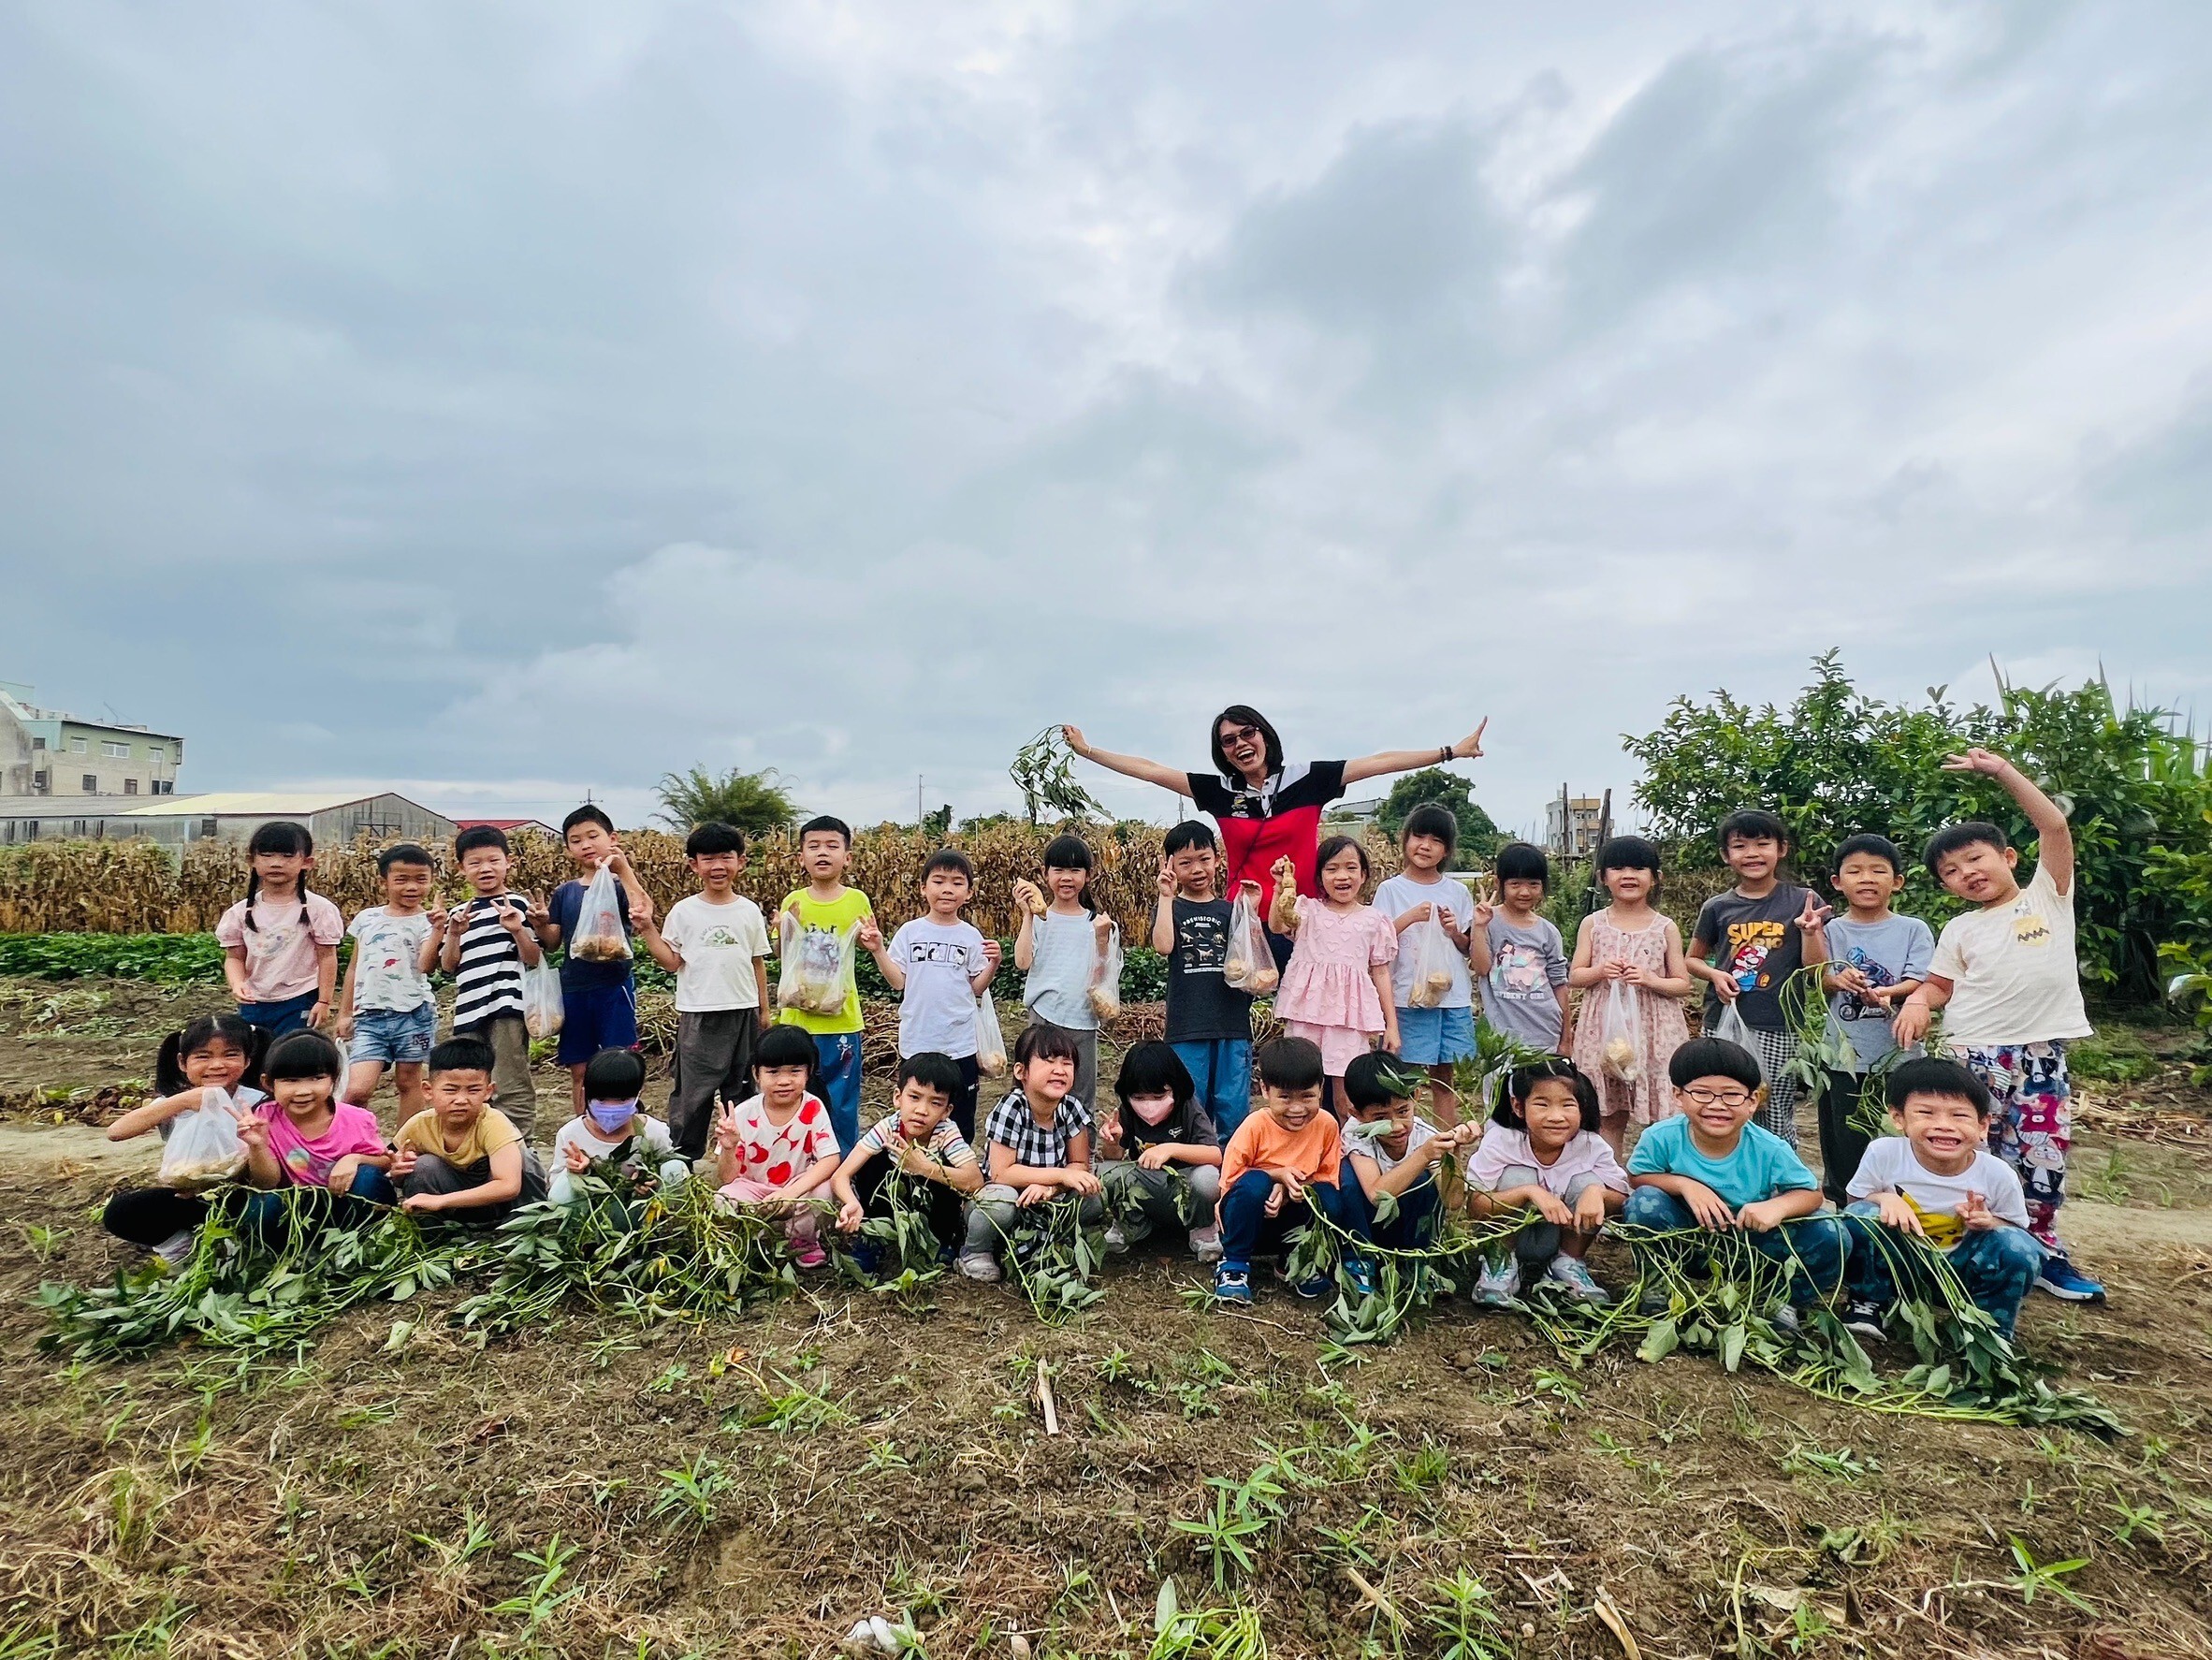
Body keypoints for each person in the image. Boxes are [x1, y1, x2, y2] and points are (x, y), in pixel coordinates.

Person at [1891, 748, 2104, 1303]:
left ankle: (2042, 1253)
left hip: (2038, 1054)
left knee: (2041, 1153)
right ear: (1946, 887)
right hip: (1971, 1054)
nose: (1967, 874)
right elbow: (1940, 986)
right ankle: (1963, 1252)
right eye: (1952, 872)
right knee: (1963, 1151)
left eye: (1975, 860)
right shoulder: (1960, 928)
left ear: (2009, 857)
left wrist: (2002, 772)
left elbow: (2053, 824)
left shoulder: (2047, 898)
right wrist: (1918, 1001)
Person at [1062, 709, 1490, 966]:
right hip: (1240, 922)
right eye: (1228, 741)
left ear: (1264, 734)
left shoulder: (1308, 780)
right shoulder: (1220, 791)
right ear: (1222, 752)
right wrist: (1089, 751)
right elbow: (1151, 769)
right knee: (1233, 1021)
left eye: (1248, 733)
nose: (1240, 744)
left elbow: (1378, 762)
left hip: (1303, 922)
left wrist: (1449, 751)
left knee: (1311, 1019)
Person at [1623, 1037, 1848, 1324]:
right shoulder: (1662, 1137)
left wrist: (1776, 1208)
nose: (1717, 1105)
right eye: (1702, 1093)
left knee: (1832, 1233)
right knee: (1644, 1204)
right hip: (1687, 1240)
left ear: (1753, 1101)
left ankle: (1779, 1298)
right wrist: (1685, 1185)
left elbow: (1811, 1195)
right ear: (1678, 1094)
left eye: (1731, 1095)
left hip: (1754, 1249)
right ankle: (1661, 1283)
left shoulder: (1769, 1148)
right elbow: (1638, 1176)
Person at [1841, 1056, 2044, 1339]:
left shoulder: (1997, 1174)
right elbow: (1854, 1203)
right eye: (1926, 1113)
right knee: (1860, 1217)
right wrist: (1885, 1200)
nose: (1944, 1125)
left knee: (2019, 1248)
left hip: (1960, 1271)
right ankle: (1869, 1300)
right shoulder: (1883, 1153)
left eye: (1959, 1116)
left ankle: (1989, 1327)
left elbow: (2017, 1230)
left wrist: (1987, 1221)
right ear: (1898, 1118)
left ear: (1983, 1125)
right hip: (1901, 1263)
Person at [1686, 810, 1832, 1148]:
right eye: (1740, 846)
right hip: (1724, 1022)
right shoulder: (1718, 907)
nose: (1752, 853)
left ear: (1781, 849)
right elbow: (1692, 959)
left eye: (1762, 844)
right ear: (1726, 855)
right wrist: (1715, 974)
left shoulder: (1802, 901)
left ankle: (1781, 1186)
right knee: (1721, 1105)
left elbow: (1815, 971)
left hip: (1779, 1024)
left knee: (1773, 1108)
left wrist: (1811, 932)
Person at [1813, 834, 1935, 1204]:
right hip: (1841, 1058)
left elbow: (1922, 979)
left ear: (1896, 881)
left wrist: (1889, 993)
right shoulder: (1831, 930)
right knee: (1843, 1139)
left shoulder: (1913, 928)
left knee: (1898, 1137)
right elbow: (1820, 977)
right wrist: (1838, 979)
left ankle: (1902, 1208)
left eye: (1879, 871)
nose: (1867, 878)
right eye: (1855, 871)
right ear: (1838, 882)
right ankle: (1847, 1208)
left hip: (1898, 1057)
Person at [645, 822, 773, 1159]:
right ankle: (682, 1160)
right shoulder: (684, 911)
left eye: (726, 857)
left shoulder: (748, 911)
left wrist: (764, 1009)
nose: (718, 866)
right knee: (693, 1093)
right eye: (708, 859)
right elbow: (671, 962)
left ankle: (742, 1158)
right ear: (694, 865)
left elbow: (756, 962)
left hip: (743, 1010)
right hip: (699, 1012)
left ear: (740, 862)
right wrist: (646, 930)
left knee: (742, 1088)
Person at [101, 1012, 270, 1261]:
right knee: (121, 1212)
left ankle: (242, 1248)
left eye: (230, 1054)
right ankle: (184, 1252)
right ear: (182, 1062)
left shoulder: (258, 1102)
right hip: (189, 1196)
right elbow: (115, 1132)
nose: (217, 1065)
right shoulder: (174, 1104)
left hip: (244, 1196)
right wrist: (181, 1101)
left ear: (247, 1061)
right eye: (203, 1056)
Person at [862, 849, 1003, 1142]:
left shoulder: (970, 936)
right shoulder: (910, 932)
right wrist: (878, 950)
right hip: (918, 1040)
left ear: (970, 892)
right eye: (939, 881)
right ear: (923, 888)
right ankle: (913, 1168)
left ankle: (956, 1173)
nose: (947, 889)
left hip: (960, 1043)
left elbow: (977, 988)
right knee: (916, 1114)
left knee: (960, 1117)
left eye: (957, 882)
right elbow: (898, 981)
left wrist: (994, 963)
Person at [1565, 836, 1694, 1154]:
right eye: (1618, 868)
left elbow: (1682, 983)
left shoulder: (1665, 927)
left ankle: (1659, 1176)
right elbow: (1575, 976)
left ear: (1655, 878)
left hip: (1655, 1029)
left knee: (1662, 1112)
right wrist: (1600, 971)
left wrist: (1650, 979)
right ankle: (1610, 1179)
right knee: (1608, 1110)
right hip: (1604, 1029)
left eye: (1639, 868)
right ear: (1603, 878)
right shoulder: (1593, 924)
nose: (1628, 875)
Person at [1466, 1059, 1628, 1305]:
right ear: (1518, 1107)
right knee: (1517, 1176)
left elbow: (1623, 1198)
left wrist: (1597, 1193)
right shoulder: (1501, 1141)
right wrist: (1528, 1192)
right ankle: (1500, 1266)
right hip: (1508, 1236)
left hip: (1558, 1237)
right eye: (1542, 1104)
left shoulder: (1589, 1145)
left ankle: (1567, 1264)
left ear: (1582, 1108)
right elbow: (1475, 1206)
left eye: (1568, 1105)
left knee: (1589, 1182)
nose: (1556, 1117)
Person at [1319, 1051, 1478, 1297]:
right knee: (1346, 1178)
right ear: (1356, 1114)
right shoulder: (1356, 1133)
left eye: (1403, 1111)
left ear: (1415, 1096)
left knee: (1424, 1181)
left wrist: (1453, 1153)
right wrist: (1422, 1156)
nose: (1396, 1126)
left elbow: (1453, 1201)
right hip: (1366, 1225)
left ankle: (1417, 1261)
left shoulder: (1424, 1135)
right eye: (1380, 1118)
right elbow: (1375, 1194)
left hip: (1406, 1225)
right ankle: (1359, 1258)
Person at [958, 1025, 1102, 1283]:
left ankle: (1042, 1241)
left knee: (1092, 1197)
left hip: (1045, 1200)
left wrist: (1051, 1189)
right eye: (1048, 1061)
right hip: (1006, 1193)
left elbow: (1079, 1163)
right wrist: (1057, 1176)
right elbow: (1001, 1173)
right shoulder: (1012, 1107)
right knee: (999, 1203)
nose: (1059, 1070)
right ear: (1021, 1071)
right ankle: (975, 1251)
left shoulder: (1071, 1108)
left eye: (1067, 1063)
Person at [537, 805, 656, 1117]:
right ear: (567, 848)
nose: (585, 845)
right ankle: (583, 1128)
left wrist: (624, 870)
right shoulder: (565, 892)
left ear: (612, 838)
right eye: (576, 840)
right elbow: (552, 942)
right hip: (574, 989)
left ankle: (627, 1127)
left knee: (622, 1063)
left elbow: (643, 911)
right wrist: (538, 924)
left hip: (614, 987)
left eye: (593, 836)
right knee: (580, 1069)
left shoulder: (619, 886)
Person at [1268, 837, 1399, 1107]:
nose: (1342, 876)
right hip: (1307, 1013)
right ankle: (1304, 1146)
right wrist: (1280, 887)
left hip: (1349, 1018)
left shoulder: (1375, 920)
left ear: (1364, 875)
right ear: (1319, 876)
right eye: (1332, 868)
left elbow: (1381, 973)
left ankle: (1346, 1148)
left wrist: (1392, 1027)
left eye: (1351, 868)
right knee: (1300, 1087)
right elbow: (1277, 926)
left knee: (1346, 1097)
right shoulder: (1307, 910)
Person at [1212, 1036, 1341, 1305]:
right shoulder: (1254, 1126)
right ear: (1265, 1090)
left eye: (1307, 1096)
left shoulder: (1327, 1124)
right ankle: (1234, 1263)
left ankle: (1294, 1260)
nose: (1297, 1109)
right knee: (1255, 1181)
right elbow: (1230, 1182)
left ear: (1321, 1089)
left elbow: (1329, 1175)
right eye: (1285, 1097)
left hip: (1294, 1221)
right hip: (1249, 1221)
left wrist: (1298, 1188)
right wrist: (1276, 1175)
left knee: (1326, 1195)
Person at [830, 1053, 985, 1271]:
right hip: (889, 1203)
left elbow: (975, 1180)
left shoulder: (946, 1133)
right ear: (897, 1097)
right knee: (872, 1165)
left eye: (935, 1103)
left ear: (946, 1111)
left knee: (946, 1179)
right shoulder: (888, 1128)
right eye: (914, 1097)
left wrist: (923, 1167)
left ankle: (940, 1241)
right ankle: (872, 1237)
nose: (922, 1110)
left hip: (929, 1208)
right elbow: (841, 1175)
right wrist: (851, 1203)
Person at [775, 815, 875, 1152]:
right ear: (801, 855)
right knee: (794, 1095)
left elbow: (869, 941)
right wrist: (785, 927)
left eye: (832, 846)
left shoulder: (857, 900)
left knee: (841, 1099)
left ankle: (842, 1167)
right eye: (813, 846)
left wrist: (873, 939)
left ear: (847, 856)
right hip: (797, 1020)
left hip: (841, 1017)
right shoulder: (793, 901)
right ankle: (796, 1162)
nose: (823, 853)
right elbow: (782, 954)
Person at [436, 825, 544, 1139]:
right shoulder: (459, 913)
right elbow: (448, 965)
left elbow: (533, 957)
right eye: (475, 862)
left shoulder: (518, 905)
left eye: (494, 860)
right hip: (469, 1009)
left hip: (508, 1005)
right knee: (469, 1083)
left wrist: (517, 929)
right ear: (461, 868)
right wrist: (454, 934)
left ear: (508, 862)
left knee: (510, 1080)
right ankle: (480, 1144)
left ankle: (520, 1147)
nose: (485, 868)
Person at [1373, 805, 1477, 1125]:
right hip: (1407, 997)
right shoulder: (1390, 890)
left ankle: (1448, 1151)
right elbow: (1375, 943)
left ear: (1446, 850)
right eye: (1419, 836)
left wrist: (1453, 930)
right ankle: (1412, 1148)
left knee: (1445, 1078)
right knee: (1407, 1080)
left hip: (1451, 998)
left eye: (1436, 840)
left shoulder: (1458, 891)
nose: (1425, 846)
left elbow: (1467, 947)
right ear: (1405, 840)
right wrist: (1408, 918)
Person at [1150, 822, 1255, 1143]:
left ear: (1217, 859)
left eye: (1204, 859)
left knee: (1233, 1110)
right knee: (1190, 1107)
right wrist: (1166, 897)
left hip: (1232, 1026)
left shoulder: (1230, 911)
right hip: (1187, 1028)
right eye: (1185, 862)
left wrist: (1253, 912)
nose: (1197, 869)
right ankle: (1198, 1175)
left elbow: (1250, 963)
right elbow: (1163, 945)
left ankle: (1230, 1176)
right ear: (1169, 866)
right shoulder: (1171, 908)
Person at [713, 1024, 842, 1266]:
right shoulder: (742, 1113)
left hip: (797, 1188)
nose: (784, 1081)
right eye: (773, 1072)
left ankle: (803, 1240)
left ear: (809, 1071)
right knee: (723, 1199)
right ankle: (752, 1236)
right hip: (754, 1188)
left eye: (794, 1071)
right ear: (756, 1074)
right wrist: (729, 1147)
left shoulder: (813, 1108)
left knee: (823, 1191)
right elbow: (727, 1178)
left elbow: (830, 1159)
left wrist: (790, 1193)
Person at [390, 1037, 548, 1223]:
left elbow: (509, 1185)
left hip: (503, 1206)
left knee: (523, 1160)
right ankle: (434, 1236)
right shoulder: (419, 1125)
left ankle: (521, 1229)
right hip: (455, 1206)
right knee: (422, 1166)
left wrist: (441, 1201)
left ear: (488, 1091)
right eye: (450, 1090)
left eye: (473, 1090)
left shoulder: (493, 1122)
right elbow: (391, 1163)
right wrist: (396, 1171)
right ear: (428, 1090)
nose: (461, 1100)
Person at [1013, 833, 1116, 1111]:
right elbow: (1023, 962)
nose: (1066, 878)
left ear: (1088, 876)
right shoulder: (1039, 918)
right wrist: (1026, 915)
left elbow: (1104, 979)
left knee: (1080, 1098)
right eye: (1058, 870)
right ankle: (1038, 1151)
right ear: (1046, 875)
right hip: (1043, 1017)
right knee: (1038, 1093)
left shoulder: (1099, 923)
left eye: (1075, 870)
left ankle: (1085, 1155)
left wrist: (1102, 940)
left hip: (1082, 1020)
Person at [336, 842, 439, 1117]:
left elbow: (426, 965)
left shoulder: (429, 922)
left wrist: (440, 930)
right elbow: (353, 969)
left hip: (415, 1013)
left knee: (409, 1082)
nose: (411, 887)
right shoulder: (367, 919)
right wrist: (345, 1012)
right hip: (369, 1016)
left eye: (421, 880)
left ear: (431, 881)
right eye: (401, 880)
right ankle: (350, 1145)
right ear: (385, 883)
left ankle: (404, 1149)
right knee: (357, 1089)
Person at [1096, 1041, 1224, 1260]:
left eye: (1158, 1097)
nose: (1148, 1105)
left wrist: (1171, 1149)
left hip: (1184, 1188)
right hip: (1147, 1188)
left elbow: (1215, 1154)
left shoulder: (1187, 1107)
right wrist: (1112, 1142)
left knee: (1208, 1178)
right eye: (1139, 1098)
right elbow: (1114, 1158)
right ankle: (1132, 1224)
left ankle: (1202, 1228)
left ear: (1175, 1088)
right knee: (1103, 1173)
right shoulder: (1127, 1112)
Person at [215, 821, 343, 1039]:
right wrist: (237, 985)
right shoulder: (238, 912)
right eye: (266, 856)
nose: (276, 863)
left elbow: (327, 957)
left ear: (307, 862)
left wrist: (324, 1001)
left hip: (300, 997)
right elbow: (234, 958)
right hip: (254, 1001)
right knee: (257, 1057)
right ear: (252, 861)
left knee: (288, 1056)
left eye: (286, 856)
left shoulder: (319, 909)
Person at [547, 1048, 690, 1207]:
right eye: (601, 1099)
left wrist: (653, 1183)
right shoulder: (571, 1134)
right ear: (585, 1094)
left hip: (641, 1213)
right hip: (590, 1214)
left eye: (622, 1099)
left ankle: (670, 1225)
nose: (611, 1108)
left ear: (638, 1095)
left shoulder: (654, 1132)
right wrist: (578, 1172)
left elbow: (666, 1171)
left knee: (675, 1168)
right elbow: (556, 1190)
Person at [1469, 841, 1573, 1057]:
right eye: (1515, 884)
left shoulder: (1548, 932)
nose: (1525, 892)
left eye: (1533, 884)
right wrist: (1479, 927)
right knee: (1501, 1091)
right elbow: (1481, 968)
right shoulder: (1488, 922)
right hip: (1501, 1037)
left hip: (1545, 1033)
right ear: (1500, 884)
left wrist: (1566, 1039)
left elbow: (1559, 986)